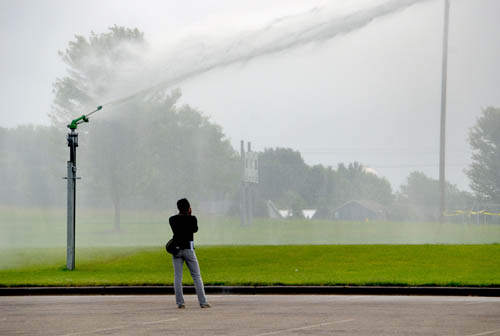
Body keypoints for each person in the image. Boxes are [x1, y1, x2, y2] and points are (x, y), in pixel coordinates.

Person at [169, 198, 211, 309]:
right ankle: (203, 302)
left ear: (178, 208)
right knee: (196, 276)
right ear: (188, 208)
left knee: (177, 277)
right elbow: (195, 229)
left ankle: (180, 303)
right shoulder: (192, 219)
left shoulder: (172, 219)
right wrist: (190, 214)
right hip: (189, 249)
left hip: (176, 250)